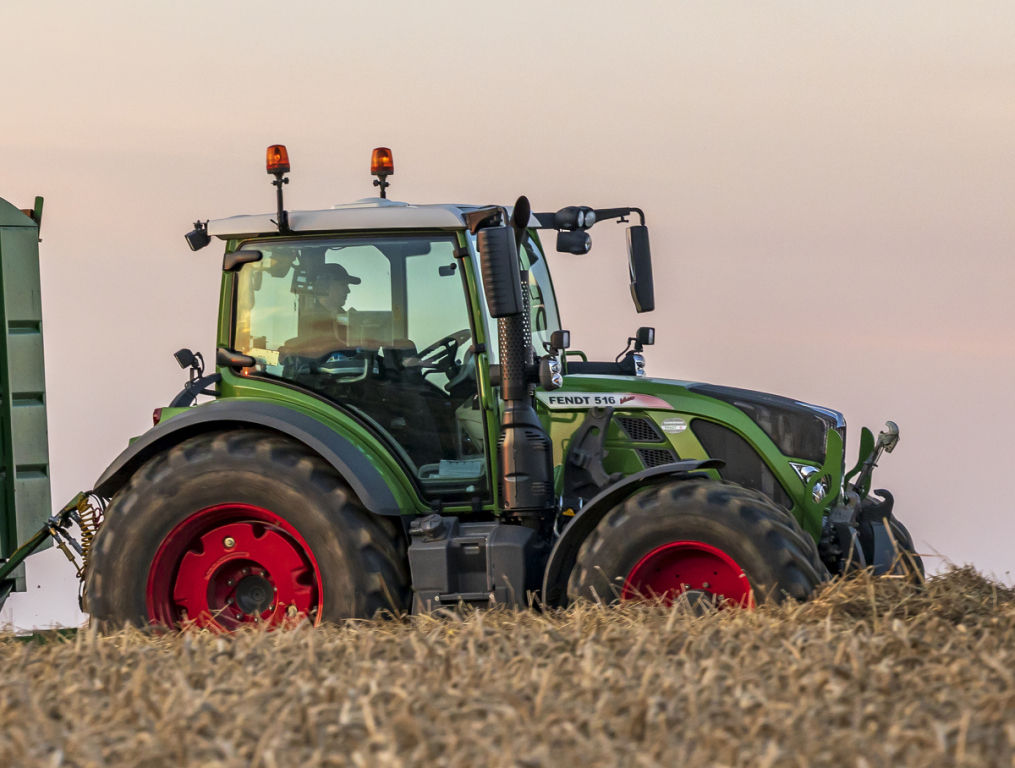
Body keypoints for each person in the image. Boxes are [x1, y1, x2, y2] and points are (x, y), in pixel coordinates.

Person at [289, 262, 361, 357]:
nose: (348, 290)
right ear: (325, 285)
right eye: (343, 285)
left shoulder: (350, 319)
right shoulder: (309, 320)